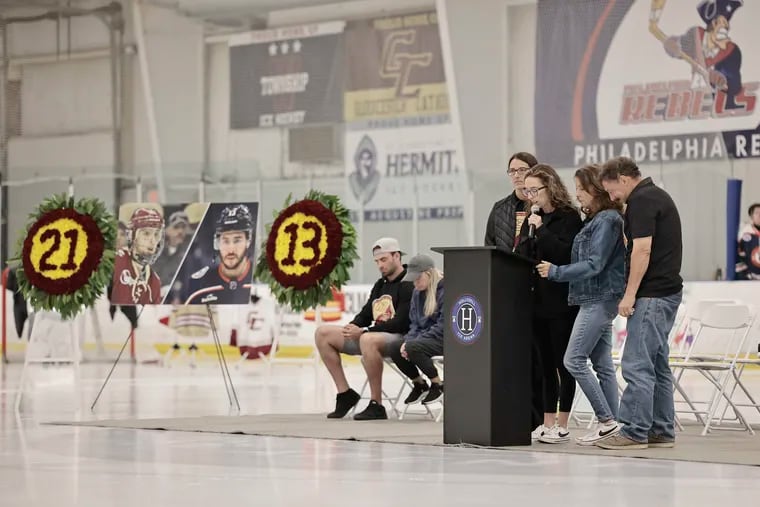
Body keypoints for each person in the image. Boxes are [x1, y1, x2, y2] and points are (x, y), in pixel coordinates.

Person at [597, 156, 683, 450]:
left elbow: (642, 250)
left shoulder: (643, 200)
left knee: (636, 363)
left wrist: (630, 293)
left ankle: (634, 431)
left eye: (611, 191)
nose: (612, 198)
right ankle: (660, 429)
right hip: (665, 292)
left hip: (652, 294)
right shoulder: (654, 196)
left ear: (623, 178)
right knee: (657, 365)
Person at [536, 165, 626, 445]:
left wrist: (556, 273)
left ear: (594, 189)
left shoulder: (608, 220)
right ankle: (615, 423)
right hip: (591, 297)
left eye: (580, 189)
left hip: (598, 299)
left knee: (572, 359)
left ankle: (606, 420)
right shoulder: (596, 220)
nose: (577, 195)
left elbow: (594, 264)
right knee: (601, 364)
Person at [515, 164, 582, 444]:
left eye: (535, 190)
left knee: (562, 364)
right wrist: (527, 233)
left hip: (561, 301)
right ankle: (547, 421)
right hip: (537, 301)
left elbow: (564, 253)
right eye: (527, 191)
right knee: (543, 366)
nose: (531, 196)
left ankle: (563, 423)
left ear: (550, 186)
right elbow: (522, 253)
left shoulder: (568, 217)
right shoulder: (534, 217)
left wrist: (541, 230)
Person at [314, 237, 414, 421]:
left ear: (396, 256)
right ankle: (345, 394)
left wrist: (365, 331)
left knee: (367, 339)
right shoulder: (380, 285)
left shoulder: (408, 283)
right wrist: (352, 327)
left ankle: (377, 404)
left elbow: (401, 322)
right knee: (323, 334)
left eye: (383, 260)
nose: (380, 265)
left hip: (399, 339)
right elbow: (366, 313)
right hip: (372, 336)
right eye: (377, 261)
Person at [485, 151, 545, 430]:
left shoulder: (545, 206)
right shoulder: (500, 209)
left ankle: (540, 416)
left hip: (538, 290)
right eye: (513, 171)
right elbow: (489, 247)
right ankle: (513, 414)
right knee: (509, 357)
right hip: (505, 292)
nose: (518, 175)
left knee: (538, 357)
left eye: (523, 170)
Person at [388, 254, 445, 405]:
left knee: (413, 347)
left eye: (418, 278)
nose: (415, 283)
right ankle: (420, 384)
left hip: (443, 339)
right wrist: (407, 342)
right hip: (425, 339)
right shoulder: (417, 293)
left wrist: (414, 343)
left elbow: (443, 327)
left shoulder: (446, 290)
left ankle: (438, 384)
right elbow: (414, 324)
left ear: (429, 274)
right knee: (394, 346)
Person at [185, 204, 254, 304]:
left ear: (248, 240)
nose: (231, 249)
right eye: (225, 241)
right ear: (217, 243)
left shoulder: (260, 279)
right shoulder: (198, 283)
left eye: (237, 240)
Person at [111, 207, 164, 305]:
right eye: (146, 233)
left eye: (156, 234)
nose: (152, 241)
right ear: (132, 235)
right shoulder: (115, 261)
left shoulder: (155, 281)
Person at [735, 203, 760, 280]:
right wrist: (745, 275)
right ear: (751, 216)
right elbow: (739, 255)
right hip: (751, 277)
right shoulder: (745, 232)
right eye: (757, 213)